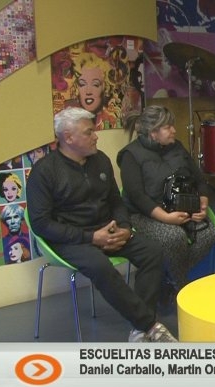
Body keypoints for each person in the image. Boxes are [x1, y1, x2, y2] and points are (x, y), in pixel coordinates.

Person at [26, 107, 175, 343]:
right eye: (89, 132)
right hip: (71, 239)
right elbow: (41, 224)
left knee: (152, 252)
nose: (96, 136)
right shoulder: (44, 171)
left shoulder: (101, 160)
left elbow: (116, 201)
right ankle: (149, 325)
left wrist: (124, 227)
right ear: (68, 138)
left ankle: (139, 330)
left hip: (109, 230)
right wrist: (91, 238)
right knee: (100, 266)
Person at [117, 105, 215, 291]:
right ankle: (181, 286)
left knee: (207, 233)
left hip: (182, 208)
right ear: (153, 133)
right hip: (143, 214)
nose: (174, 130)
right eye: (168, 127)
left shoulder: (176, 147)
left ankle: (167, 277)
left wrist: (203, 203)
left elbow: (199, 180)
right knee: (174, 237)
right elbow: (137, 197)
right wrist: (165, 217)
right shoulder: (130, 155)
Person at [69, 51, 119, 129]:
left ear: (105, 87)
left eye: (95, 84)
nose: (88, 91)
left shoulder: (112, 121)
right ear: (77, 87)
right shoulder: (70, 121)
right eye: (82, 84)